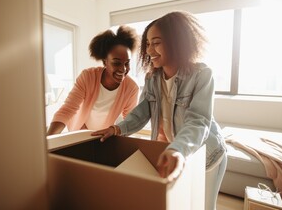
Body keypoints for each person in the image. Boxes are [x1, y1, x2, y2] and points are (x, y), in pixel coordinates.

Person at [92, 11, 227, 210]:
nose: (149, 50)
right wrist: (116, 129)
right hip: (178, 153)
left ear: (176, 43)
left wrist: (177, 149)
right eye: (147, 43)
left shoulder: (202, 75)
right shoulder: (152, 79)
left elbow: (198, 121)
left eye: (156, 42)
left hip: (207, 155)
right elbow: (141, 113)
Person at [47, 25, 140, 135]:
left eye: (127, 63)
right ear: (105, 62)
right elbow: (67, 110)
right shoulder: (87, 77)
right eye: (116, 63)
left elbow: (129, 122)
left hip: (102, 136)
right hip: (78, 131)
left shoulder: (131, 88)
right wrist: (48, 141)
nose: (123, 69)